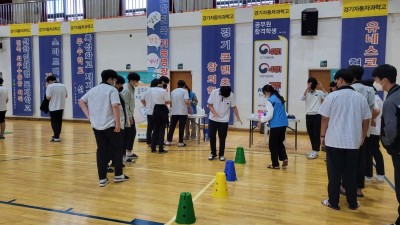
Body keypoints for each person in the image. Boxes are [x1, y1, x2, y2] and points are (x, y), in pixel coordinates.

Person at [319, 69, 371, 210]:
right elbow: (367, 119)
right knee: (350, 173)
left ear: (341, 80)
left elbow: (324, 118)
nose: (336, 82)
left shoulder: (332, 96)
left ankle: (333, 202)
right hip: (353, 142)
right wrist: (363, 136)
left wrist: (322, 135)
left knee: (334, 173)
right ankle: (352, 203)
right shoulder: (360, 98)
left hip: (334, 141)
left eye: (336, 80)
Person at [79, 69, 129, 187]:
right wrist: (118, 124)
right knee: (117, 148)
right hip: (111, 125)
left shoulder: (93, 90)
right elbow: (115, 106)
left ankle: (102, 179)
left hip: (97, 125)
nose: (115, 81)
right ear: (111, 79)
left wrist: (88, 116)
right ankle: (118, 175)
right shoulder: (112, 90)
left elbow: (81, 101)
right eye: (115, 79)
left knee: (101, 150)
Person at [372, 64, 400, 225]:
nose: (376, 84)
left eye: (377, 80)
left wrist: (388, 145)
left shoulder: (390, 101)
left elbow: (390, 129)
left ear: (384, 80)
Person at [348, 65, 375, 197]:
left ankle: (344, 185)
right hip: (364, 130)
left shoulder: (347, 89)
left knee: (345, 160)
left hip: (348, 131)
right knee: (361, 160)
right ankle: (358, 189)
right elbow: (371, 111)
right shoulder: (370, 90)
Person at [257, 84, 289, 169]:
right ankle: (284, 158)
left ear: (267, 92)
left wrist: (261, 120)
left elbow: (270, 115)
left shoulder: (270, 101)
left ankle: (275, 164)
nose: (264, 95)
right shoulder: (279, 98)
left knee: (272, 145)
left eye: (264, 93)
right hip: (283, 124)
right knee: (279, 142)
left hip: (275, 125)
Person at [207, 86, 242, 161]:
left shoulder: (231, 95)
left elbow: (234, 107)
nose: (221, 95)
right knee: (212, 136)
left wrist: (238, 117)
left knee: (222, 138)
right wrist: (215, 113)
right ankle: (213, 153)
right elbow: (209, 105)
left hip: (224, 120)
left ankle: (221, 154)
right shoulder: (214, 93)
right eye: (221, 94)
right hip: (213, 119)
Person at [361, 79, 385, 183]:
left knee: (369, 152)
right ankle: (380, 174)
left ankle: (368, 175)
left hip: (372, 130)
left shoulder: (373, 98)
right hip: (377, 130)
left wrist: (371, 120)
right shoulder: (378, 97)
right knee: (375, 151)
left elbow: (376, 111)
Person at [300, 77, 327, 159]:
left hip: (317, 115)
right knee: (310, 133)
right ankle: (313, 150)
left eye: (311, 84)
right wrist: (307, 88)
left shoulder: (319, 92)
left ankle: (316, 151)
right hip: (308, 115)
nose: (310, 85)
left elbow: (327, 95)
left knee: (316, 133)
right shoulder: (306, 93)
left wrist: (321, 87)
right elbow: (301, 98)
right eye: (309, 83)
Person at [165, 80, 192, 147]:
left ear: (177, 84)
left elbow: (170, 101)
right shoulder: (185, 91)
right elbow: (186, 101)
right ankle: (180, 142)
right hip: (183, 112)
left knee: (172, 127)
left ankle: (168, 141)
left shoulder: (173, 91)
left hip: (174, 112)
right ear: (184, 85)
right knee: (181, 127)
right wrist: (190, 108)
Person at [121, 72, 140, 160]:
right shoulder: (126, 90)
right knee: (127, 135)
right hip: (126, 116)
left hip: (130, 114)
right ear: (131, 81)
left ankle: (129, 152)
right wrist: (129, 117)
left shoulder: (131, 88)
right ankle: (123, 155)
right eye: (136, 81)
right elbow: (125, 105)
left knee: (132, 133)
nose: (137, 83)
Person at [150, 76, 171, 153]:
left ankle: (153, 147)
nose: (166, 85)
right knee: (162, 129)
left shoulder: (152, 90)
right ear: (162, 82)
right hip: (162, 109)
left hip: (155, 109)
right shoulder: (163, 91)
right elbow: (168, 101)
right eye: (166, 83)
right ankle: (161, 148)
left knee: (155, 128)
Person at [46, 75, 67, 142]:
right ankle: (56, 134)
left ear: (49, 81)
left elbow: (48, 97)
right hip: (61, 106)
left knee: (54, 122)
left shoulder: (50, 86)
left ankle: (56, 137)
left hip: (53, 107)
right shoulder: (63, 86)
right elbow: (66, 95)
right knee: (59, 121)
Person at [141, 78, 158, 147]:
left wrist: (146, 106)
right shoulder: (157, 91)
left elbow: (142, 100)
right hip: (156, 111)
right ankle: (156, 142)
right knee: (156, 128)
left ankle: (149, 143)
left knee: (149, 128)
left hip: (149, 112)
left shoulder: (147, 91)